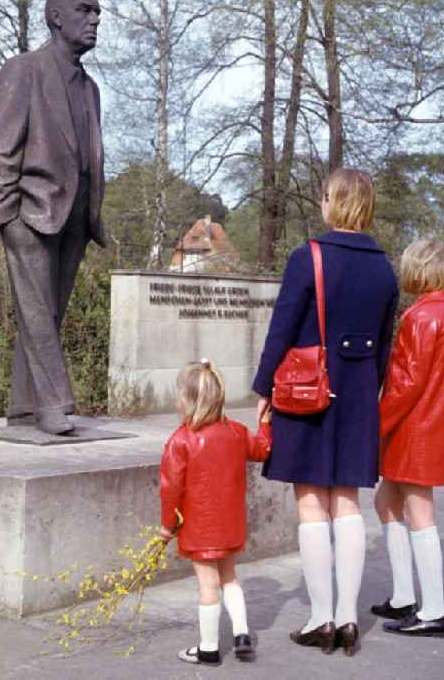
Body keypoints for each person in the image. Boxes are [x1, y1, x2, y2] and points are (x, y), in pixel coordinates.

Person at [251, 167, 398, 657]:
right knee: (348, 503)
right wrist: (365, 391)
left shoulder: (307, 257)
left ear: (332, 202)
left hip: (307, 391)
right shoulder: (383, 266)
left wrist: (263, 387)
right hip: (358, 395)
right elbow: (385, 347)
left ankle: (321, 618)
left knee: (311, 501)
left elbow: (282, 328)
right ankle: (350, 619)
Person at [0, 0, 106, 436]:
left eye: (97, 12)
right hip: (29, 214)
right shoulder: (24, 70)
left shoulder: (90, 89)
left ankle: (23, 407)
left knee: (46, 316)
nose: (94, 19)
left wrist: (92, 214)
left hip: (74, 219)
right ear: (56, 17)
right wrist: (5, 215)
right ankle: (55, 404)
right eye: (84, 10)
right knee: (37, 312)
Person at [372, 239, 444, 638]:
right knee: (386, 502)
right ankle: (402, 597)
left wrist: (374, 425)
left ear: (420, 269)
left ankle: (433, 610)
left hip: (415, 429)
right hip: (433, 426)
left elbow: (405, 384)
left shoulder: (420, 318)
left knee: (419, 513)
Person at [159, 359, 273, 666]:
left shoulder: (180, 441)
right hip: (230, 523)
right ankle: (242, 633)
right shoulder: (236, 432)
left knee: (207, 585)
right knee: (230, 578)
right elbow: (263, 449)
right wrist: (264, 421)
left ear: (185, 399)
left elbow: (171, 490)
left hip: (199, 528)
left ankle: (208, 648)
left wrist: (167, 527)